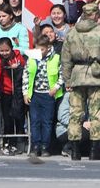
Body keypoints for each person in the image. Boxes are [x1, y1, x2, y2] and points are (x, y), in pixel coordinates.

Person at [60, 0, 100, 161]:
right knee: (96, 114)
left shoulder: (71, 32)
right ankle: (94, 150)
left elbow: (66, 59)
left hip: (77, 75)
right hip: (96, 76)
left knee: (75, 114)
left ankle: (75, 150)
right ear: (95, 14)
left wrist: (67, 79)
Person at [25, 23, 62, 157]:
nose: (39, 52)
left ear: (48, 48)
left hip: (48, 95)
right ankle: (36, 146)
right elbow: (26, 75)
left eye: (42, 49)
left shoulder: (56, 58)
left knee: (47, 121)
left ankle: (45, 146)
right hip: (35, 94)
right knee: (35, 121)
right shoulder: (32, 58)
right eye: (37, 49)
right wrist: (25, 93)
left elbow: (62, 74)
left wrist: (56, 87)